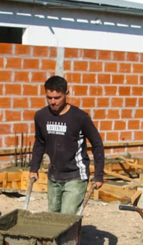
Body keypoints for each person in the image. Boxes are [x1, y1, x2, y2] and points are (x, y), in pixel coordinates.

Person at [29, 75, 105, 214]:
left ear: (66, 94)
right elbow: (39, 142)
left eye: (57, 97)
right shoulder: (41, 116)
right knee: (53, 216)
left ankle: (72, 236)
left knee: (67, 216)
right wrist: (34, 168)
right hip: (54, 175)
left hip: (76, 175)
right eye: (49, 97)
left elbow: (97, 144)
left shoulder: (79, 117)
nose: (53, 102)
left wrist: (99, 175)